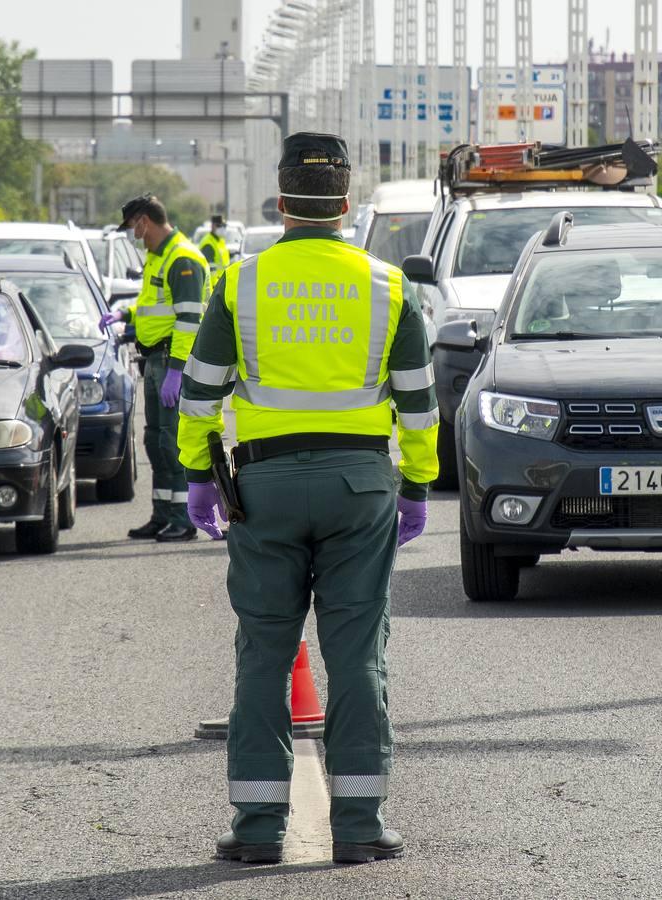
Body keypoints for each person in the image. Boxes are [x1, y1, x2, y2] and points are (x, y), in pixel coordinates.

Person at [177, 133, 438, 865]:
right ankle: (359, 824)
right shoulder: (390, 287)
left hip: (263, 489)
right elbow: (419, 407)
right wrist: (415, 487)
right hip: (361, 487)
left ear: (283, 202)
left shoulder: (240, 281)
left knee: (264, 652)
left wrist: (199, 477)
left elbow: (200, 393)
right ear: (348, 207)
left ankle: (258, 829)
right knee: (358, 656)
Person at [99, 194, 210, 542]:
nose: (134, 233)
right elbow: (153, 306)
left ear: (144, 221)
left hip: (171, 362)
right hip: (155, 360)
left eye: (133, 226)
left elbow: (189, 320)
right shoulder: (157, 257)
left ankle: (183, 518)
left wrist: (177, 370)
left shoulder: (183, 259)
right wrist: (125, 315)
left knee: (173, 443)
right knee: (156, 443)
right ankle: (163, 515)